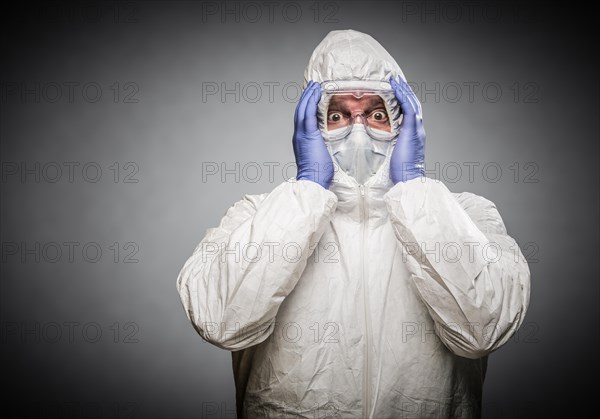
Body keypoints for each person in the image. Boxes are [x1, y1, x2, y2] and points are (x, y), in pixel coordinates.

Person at [177, 29, 530, 418]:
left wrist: (415, 189)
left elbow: (484, 330)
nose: (358, 130)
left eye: (377, 114)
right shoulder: (256, 216)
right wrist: (307, 188)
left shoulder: (466, 216)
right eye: (338, 115)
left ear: (403, 123)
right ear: (312, 126)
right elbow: (222, 322)